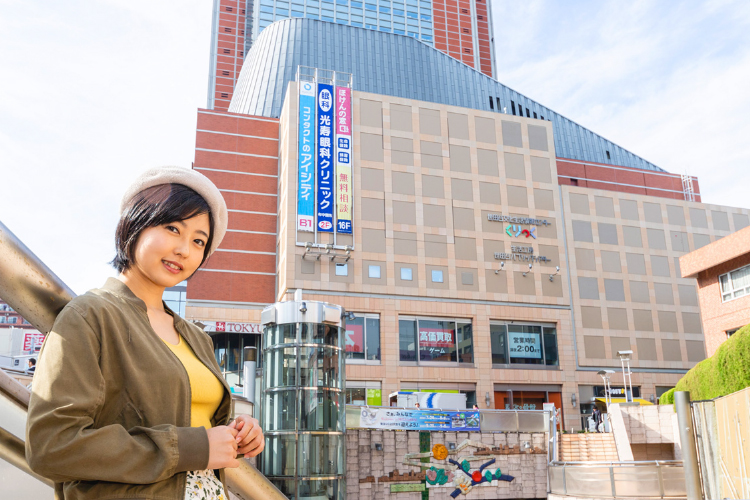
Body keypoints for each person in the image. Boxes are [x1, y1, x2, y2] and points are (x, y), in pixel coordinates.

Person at [26, 167, 265, 500]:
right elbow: (52, 446)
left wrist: (239, 435)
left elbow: (201, 433)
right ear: (135, 224)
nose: (184, 249)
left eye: (199, 241)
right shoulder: (91, 315)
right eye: (172, 228)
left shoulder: (196, 338)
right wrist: (190, 447)